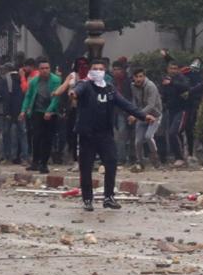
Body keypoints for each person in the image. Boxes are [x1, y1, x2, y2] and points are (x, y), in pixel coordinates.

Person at [73, 59, 155, 212]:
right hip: (87, 134)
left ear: (105, 72)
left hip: (105, 134)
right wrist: (73, 94)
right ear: (90, 71)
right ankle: (87, 199)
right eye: (95, 68)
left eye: (101, 69)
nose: (98, 71)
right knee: (86, 168)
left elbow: (126, 104)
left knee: (111, 164)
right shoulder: (85, 85)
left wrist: (143, 116)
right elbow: (77, 90)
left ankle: (109, 197)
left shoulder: (109, 89)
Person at [19, 58, 61, 174]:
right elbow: (28, 96)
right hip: (36, 111)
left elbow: (56, 98)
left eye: (47, 68)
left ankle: (44, 164)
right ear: (38, 69)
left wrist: (49, 110)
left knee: (48, 138)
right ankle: (35, 162)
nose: (45, 71)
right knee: (36, 137)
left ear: (50, 69)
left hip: (51, 112)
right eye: (42, 68)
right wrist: (23, 110)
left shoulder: (56, 80)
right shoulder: (34, 81)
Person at [128, 67, 162, 170]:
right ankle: (140, 162)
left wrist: (136, 115)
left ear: (144, 76)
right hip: (141, 116)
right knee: (138, 141)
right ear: (133, 77)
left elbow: (151, 105)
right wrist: (132, 112)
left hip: (155, 115)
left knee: (148, 136)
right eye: (136, 77)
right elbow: (135, 100)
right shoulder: (133, 86)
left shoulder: (151, 86)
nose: (138, 79)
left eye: (141, 76)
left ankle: (155, 157)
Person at [160, 60, 190, 164]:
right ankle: (180, 156)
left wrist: (172, 83)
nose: (173, 71)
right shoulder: (165, 80)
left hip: (182, 110)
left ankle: (180, 157)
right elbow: (163, 94)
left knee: (174, 132)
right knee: (174, 133)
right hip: (170, 110)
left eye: (175, 68)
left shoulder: (181, 78)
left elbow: (186, 87)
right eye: (171, 68)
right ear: (168, 69)